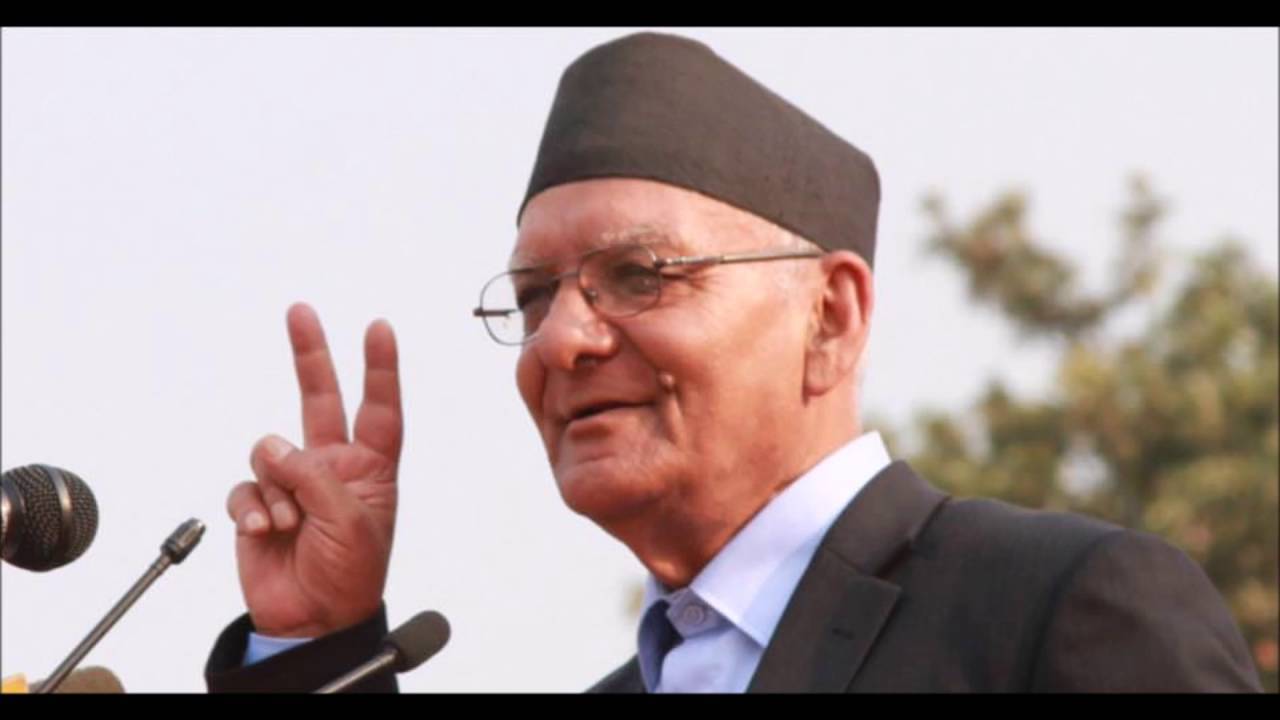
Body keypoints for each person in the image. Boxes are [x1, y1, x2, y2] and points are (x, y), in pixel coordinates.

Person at [205, 32, 1261, 693]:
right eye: (532, 297)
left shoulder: (1049, 612)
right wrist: (316, 648)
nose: (561, 339)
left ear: (830, 316)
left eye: (637, 275)